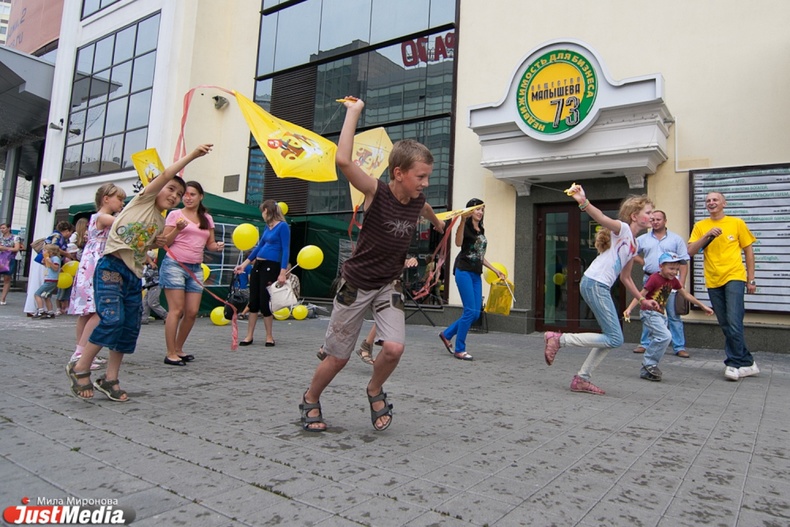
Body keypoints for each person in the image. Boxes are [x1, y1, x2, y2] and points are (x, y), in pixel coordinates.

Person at [299, 96, 444, 432]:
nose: (425, 183)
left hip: (388, 284)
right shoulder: (376, 191)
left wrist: (437, 223)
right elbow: (343, 160)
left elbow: (424, 208)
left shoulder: (418, 200)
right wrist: (354, 112)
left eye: (428, 177)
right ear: (399, 173)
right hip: (356, 285)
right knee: (338, 357)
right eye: (421, 176)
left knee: (393, 348)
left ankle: (374, 389)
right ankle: (310, 397)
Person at [65, 144, 212, 402]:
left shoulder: (160, 219)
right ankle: (80, 367)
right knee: (111, 319)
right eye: (171, 189)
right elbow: (165, 175)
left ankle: (110, 378)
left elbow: (153, 244)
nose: (175, 196)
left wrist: (168, 235)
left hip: (134, 274)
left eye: (179, 194)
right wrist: (192, 156)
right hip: (111, 267)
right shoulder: (143, 200)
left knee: (129, 327)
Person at [543, 185, 656, 395]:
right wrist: (583, 202)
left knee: (610, 337)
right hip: (595, 283)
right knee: (616, 338)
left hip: (598, 285)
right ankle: (559, 339)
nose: (652, 216)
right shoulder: (623, 229)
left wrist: (642, 300)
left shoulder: (633, 244)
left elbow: (626, 278)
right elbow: (602, 218)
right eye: (648, 212)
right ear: (635, 216)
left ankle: (582, 379)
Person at [688, 191, 758, 382]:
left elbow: (749, 252)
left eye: (715, 200)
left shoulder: (736, 223)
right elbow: (690, 251)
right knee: (726, 324)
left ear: (723, 203)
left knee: (734, 321)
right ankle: (748, 362)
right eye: (708, 200)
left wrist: (751, 279)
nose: (711, 202)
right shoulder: (701, 226)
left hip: (734, 276)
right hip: (713, 280)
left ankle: (733, 363)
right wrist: (707, 235)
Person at [161, 181, 224, 365]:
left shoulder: (207, 218)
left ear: (200, 196)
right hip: (175, 265)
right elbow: (165, 242)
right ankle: (170, 353)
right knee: (176, 309)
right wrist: (177, 229)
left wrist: (217, 246)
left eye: (192, 194)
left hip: (196, 268)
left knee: (192, 311)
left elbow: (209, 244)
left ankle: (178, 348)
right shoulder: (175, 215)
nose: (188, 198)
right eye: (185, 195)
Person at [625, 252, 714, 381]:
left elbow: (685, 294)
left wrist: (702, 306)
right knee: (665, 336)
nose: (674, 272)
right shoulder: (654, 278)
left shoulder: (673, 281)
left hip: (661, 315)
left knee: (662, 338)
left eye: (677, 269)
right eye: (671, 268)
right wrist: (629, 309)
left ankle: (647, 369)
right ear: (661, 266)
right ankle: (649, 363)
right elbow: (640, 294)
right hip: (649, 313)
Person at [438, 200, 505, 361]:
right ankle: (460, 349)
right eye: (477, 209)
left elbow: (479, 255)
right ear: (470, 211)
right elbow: (458, 243)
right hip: (464, 271)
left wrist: (495, 270)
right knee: (469, 311)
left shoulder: (481, 229)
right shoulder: (465, 226)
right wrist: (462, 221)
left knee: (475, 314)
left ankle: (447, 334)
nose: (480, 212)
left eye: (482, 209)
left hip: (476, 273)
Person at [68, 184, 127, 368]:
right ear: (106, 199)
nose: (122, 203)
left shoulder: (96, 218)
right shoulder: (102, 217)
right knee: (98, 310)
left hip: (91, 264)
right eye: (119, 199)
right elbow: (121, 223)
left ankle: (81, 351)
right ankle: (81, 353)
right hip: (97, 265)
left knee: (87, 312)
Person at [632, 211, 692, 358]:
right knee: (649, 312)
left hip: (669, 282)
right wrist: (642, 261)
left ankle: (679, 347)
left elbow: (684, 261)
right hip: (651, 280)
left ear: (665, 220)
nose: (655, 222)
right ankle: (645, 344)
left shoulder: (676, 239)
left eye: (658, 219)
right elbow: (630, 252)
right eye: (652, 219)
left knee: (673, 315)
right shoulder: (643, 239)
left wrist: (681, 281)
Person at [233, 199, 290, 347]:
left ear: (268, 211)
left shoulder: (282, 226)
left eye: (263, 211)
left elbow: (286, 249)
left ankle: (269, 336)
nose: (262, 215)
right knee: (253, 300)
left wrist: (282, 272)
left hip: (271, 265)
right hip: (258, 264)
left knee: (265, 301)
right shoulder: (267, 227)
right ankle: (249, 335)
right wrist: (244, 264)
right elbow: (259, 247)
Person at [25, 221, 73, 316]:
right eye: (70, 232)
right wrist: (66, 254)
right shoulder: (58, 237)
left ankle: (37, 308)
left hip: (43, 261)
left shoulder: (54, 235)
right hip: (45, 262)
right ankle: (36, 309)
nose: (70, 235)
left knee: (39, 285)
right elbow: (54, 248)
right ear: (67, 231)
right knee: (40, 284)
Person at [33, 244, 61, 318]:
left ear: (51, 252)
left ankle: (41, 311)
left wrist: (50, 262)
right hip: (49, 279)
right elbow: (49, 267)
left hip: (51, 280)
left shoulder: (55, 258)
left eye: (45, 250)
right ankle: (50, 312)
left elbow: (55, 268)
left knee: (37, 294)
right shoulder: (51, 258)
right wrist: (45, 262)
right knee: (47, 296)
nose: (43, 252)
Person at [141, 251, 168, 324]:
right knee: (145, 302)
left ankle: (166, 316)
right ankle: (144, 318)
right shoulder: (147, 266)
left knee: (153, 303)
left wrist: (139, 273)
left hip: (154, 286)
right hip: (150, 287)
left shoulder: (152, 266)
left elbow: (149, 275)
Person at [0, 223, 22, 305]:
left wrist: (4, 248)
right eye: (1, 228)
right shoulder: (1, 238)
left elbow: (16, 248)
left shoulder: (15, 238)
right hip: (0, 258)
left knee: (7, 278)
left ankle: (3, 298)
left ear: (8, 228)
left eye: (4, 228)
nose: (2, 230)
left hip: (9, 259)